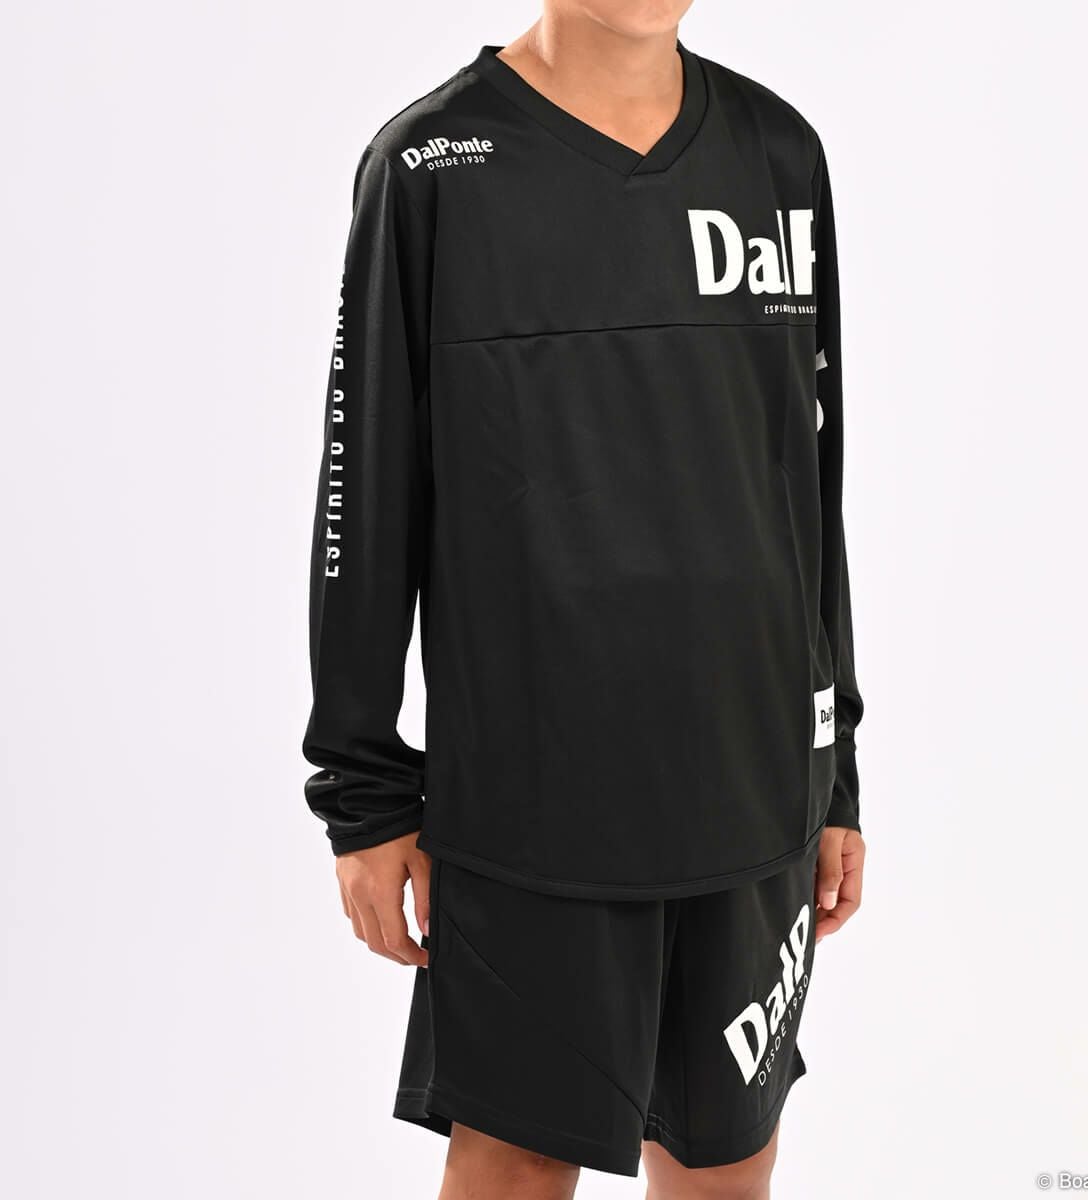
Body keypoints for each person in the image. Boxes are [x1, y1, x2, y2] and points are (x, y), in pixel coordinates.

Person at [302, 2, 867, 1196]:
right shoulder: (431, 167)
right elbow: (365, 492)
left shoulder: (779, 155)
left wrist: (837, 773)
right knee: (516, 1164)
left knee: (725, 1164)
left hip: (753, 785)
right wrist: (363, 794)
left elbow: (809, 484)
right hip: (535, 803)